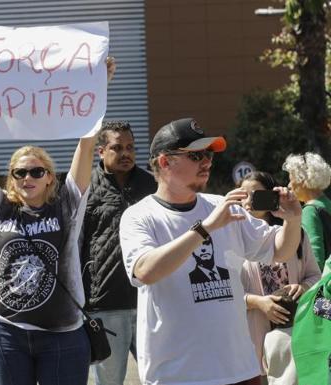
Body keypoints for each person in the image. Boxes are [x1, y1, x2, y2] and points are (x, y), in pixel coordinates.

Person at [0, 57, 115, 385]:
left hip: (63, 336)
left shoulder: (67, 205)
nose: (28, 176)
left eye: (37, 171)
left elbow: (87, 141)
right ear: (11, 179)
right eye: (20, 172)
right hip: (4, 334)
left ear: (50, 178)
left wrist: (98, 86)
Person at [119, 117, 302, 385]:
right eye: (196, 155)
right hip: (176, 375)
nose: (207, 162)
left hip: (238, 369)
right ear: (164, 162)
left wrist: (293, 220)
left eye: (209, 155)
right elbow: (145, 271)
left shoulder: (221, 205)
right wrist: (205, 228)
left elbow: (280, 251)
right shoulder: (139, 216)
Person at [80, 120, 156, 385]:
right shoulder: (85, 186)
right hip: (105, 304)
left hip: (150, 300)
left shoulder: (152, 185)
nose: (126, 153)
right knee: (109, 382)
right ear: (101, 151)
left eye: (131, 147)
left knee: (162, 378)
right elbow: (76, 244)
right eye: (117, 147)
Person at [239, 171, 320, 385]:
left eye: (256, 195)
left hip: (294, 338)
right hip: (252, 343)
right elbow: (225, 294)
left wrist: (302, 287)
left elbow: (315, 277)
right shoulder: (232, 238)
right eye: (243, 195)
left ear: (271, 198)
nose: (248, 202)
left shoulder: (296, 234)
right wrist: (258, 302)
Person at [283, 152, 331, 270]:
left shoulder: (310, 211)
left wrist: (308, 285)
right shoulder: (327, 203)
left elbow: (315, 257)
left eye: (291, 180)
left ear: (302, 180)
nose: (289, 185)